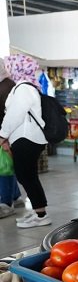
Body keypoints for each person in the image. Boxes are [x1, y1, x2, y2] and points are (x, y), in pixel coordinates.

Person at [0, 54, 52, 228]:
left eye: (9, 66)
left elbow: (15, 115)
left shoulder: (23, 88)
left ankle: (42, 215)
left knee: (26, 176)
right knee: (27, 176)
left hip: (26, 138)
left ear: (17, 68)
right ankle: (39, 211)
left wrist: (2, 135)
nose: (7, 69)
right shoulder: (23, 87)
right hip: (25, 138)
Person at [0, 58, 22, 218]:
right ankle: (16, 196)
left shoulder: (6, 86)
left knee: (3, 169)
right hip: (5, 133)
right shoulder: (8, 83)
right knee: (6, 165)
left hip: (5, 134)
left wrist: (4, 138)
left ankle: (6, 204)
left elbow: (9, 114)